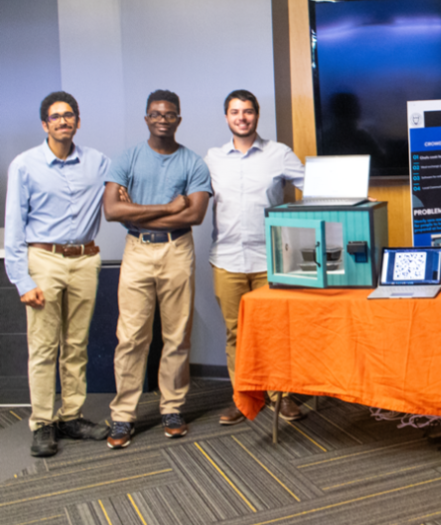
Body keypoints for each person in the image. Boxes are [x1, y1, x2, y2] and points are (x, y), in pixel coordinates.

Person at [3, 92, 112, 457]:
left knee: (76, 344)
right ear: (44, 124)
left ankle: (71, 416)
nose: (63, 121)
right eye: (55, 116)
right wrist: (22, 280)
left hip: (85, 260)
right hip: (44, 261)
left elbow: (123, 193)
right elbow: (14, 226)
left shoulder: (98, 162)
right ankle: (43, 423)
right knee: (44, 347)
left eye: (69, 115)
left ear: (78, 121)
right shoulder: (24, 165)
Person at [102, 90, 212, 449]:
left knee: (177, 335)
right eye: (155, 114)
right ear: (146, 118)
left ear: (178, 119)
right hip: (137, 249)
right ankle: (123, 415)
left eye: (169, 114)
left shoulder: (193, 163)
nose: (162, 120)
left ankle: (172, 408)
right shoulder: (127, 158)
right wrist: (168, 207)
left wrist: (137, 210)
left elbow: (195, 214)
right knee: (131, 336)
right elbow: (112, 210)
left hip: (177, 249)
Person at [205, 90, 306, 425]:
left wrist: (355, 197)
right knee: (236, 333)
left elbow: (313, 184)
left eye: (248, 111)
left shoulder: (279, 153)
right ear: (226, 117)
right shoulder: (212, 158)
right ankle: (243, 397)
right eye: (235, 112)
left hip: (270, 260)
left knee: (275, 332)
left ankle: (281, 397)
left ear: (257, 115)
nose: (242, 118)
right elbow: (188, 193)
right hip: (227, 259)